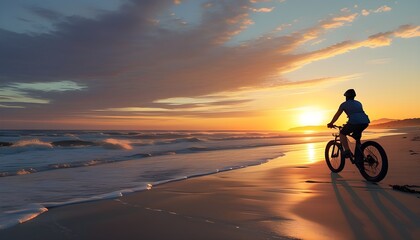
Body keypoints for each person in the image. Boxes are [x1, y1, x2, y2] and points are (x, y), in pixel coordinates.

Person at [327, 89, 370, 162]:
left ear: (346, 97)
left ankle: (347, 151)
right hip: (365, 122)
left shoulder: (344, 104)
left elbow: (337, 115)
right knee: (357, 137)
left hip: (354, 122)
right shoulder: (358, 103)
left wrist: (331, 123)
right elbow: (357, 114)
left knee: (342, 133)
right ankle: (359, 157)